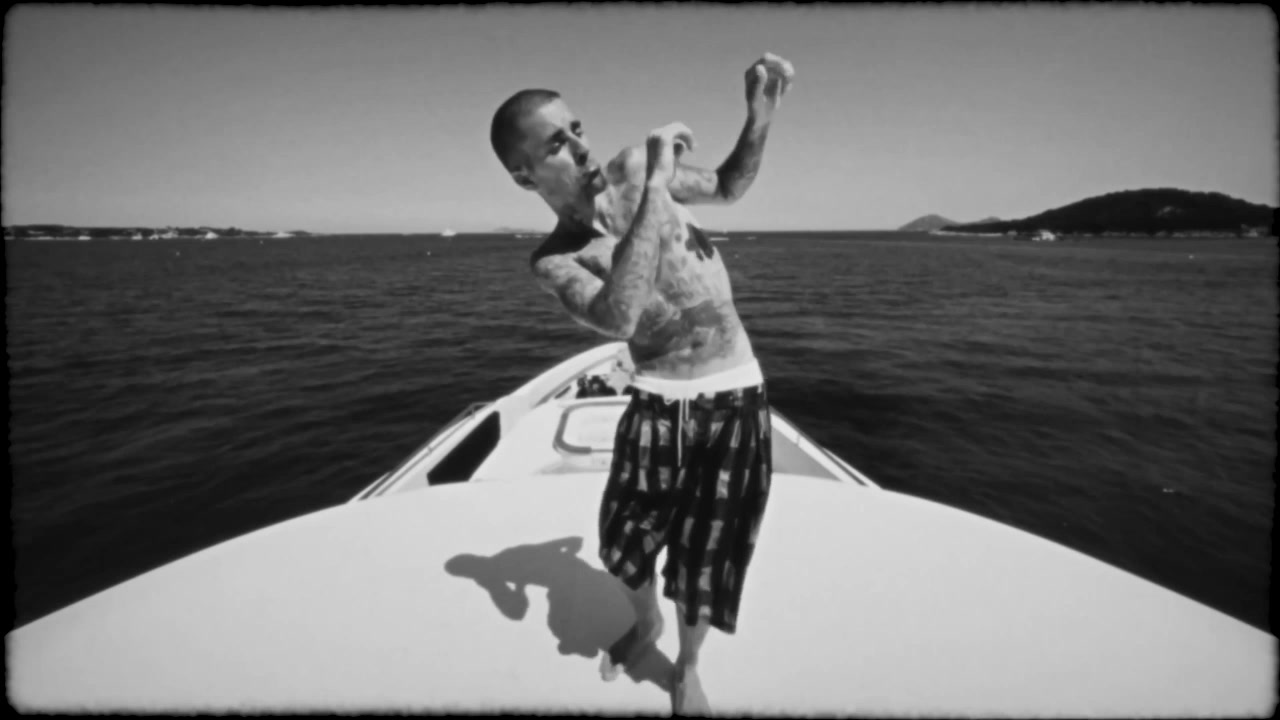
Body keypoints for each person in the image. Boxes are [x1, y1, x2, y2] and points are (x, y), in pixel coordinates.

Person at [489, 52, 794, 714]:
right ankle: (647, 620)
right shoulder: (556, 259)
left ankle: (687, 665)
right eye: (556, 144)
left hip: (735, 395)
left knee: (705, 554)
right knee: (623, 542)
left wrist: (760, 116)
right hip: (657, 403)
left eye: (577, 129)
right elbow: (619, 316)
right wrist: (657, 187)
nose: (581, 147)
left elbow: (729, 187)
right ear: (523, 175)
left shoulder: (633, 168)